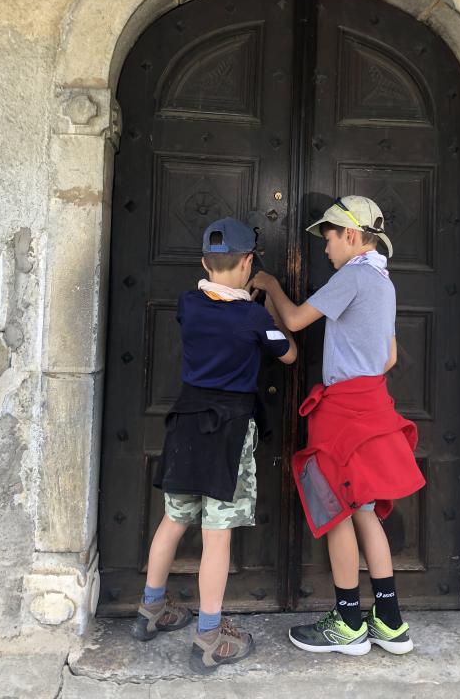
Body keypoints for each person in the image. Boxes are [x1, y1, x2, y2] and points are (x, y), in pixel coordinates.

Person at [250, 195, 425, 656]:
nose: (325, 249)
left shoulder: (352, 276)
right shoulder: (383, 281)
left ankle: (348, 623)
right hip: (373, 403)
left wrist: (269, 282)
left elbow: (294, 319)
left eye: (328, 238)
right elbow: (389, 357)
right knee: (364, 510)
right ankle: (390, 623)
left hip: (342, 412)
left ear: (350, 234)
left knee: (337, 513)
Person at [133, 217, 297, 674]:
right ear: (249, 263)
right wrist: (267, 303)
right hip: (229, 431)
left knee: (172, 520)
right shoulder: (253, 317)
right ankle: (209, 635)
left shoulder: (188, 303)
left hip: (186, 426)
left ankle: (150, 608)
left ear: (204, 263)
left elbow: (212, 305)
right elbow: (288, 354)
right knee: (216, 536)